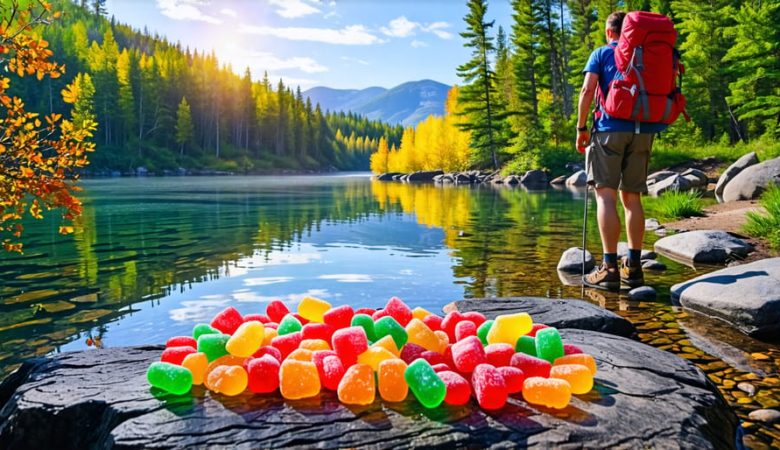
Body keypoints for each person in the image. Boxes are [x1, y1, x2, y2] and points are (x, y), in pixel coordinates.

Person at [575, 11, 667, 290]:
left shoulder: (602, 53)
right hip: (644, 131)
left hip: (608, 131)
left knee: (605, 196)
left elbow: (587, 90)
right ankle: (635, 268)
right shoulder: (647, 55)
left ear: (610, 31)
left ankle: (609, 267)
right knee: (632, 199)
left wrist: (581, 129)